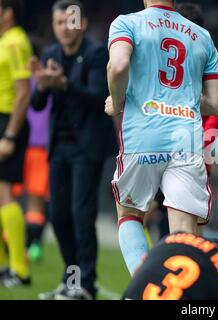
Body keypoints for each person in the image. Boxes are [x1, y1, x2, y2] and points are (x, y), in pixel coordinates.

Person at [106, 0, 218, 276]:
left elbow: (119, 65)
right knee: (184, 230)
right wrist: (184, 101)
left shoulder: (127, 22)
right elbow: (217, 103)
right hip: (186, 138)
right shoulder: (201, 35)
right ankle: (178, 293)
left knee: (130, 213)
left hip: (143, 136)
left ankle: (146, 286)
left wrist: (117, 100)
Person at [31, 0, 116, 300]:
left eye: (70, 22)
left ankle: (87, 285)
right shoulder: (51, 54)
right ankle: (71, 280)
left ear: (82, 23)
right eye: (58, 23)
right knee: (58, 214)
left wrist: (63, 83)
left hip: (88, 148)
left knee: (82, 214)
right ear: (53, 26)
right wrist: (42, 86)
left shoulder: (95, 54)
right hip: (60, 147)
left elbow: (98, 98)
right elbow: (38, 105)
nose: (64, 29)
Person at [142, 1, 218, 244]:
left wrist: (196, 140)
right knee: (160, 213)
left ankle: (186, 265)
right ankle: (167, 263)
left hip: (191, 156)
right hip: (159, 150)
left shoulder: (207, 65)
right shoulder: (163, 63)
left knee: (186, 218)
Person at [0, 0, 33, 287]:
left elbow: (23, 93)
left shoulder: (17, 42)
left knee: (6, 193)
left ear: (8, 12)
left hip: (7, 121)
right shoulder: (5, 41)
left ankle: (19, 269)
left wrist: (9, 135)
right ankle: (3, 266)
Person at [12, 78, 52, 263]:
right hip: (41, 147)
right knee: (36, 202)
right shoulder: (50, 80)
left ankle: (15, 246)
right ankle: (32, 246)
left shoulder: (19, 80)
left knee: (10, 198)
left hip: (20, 144)